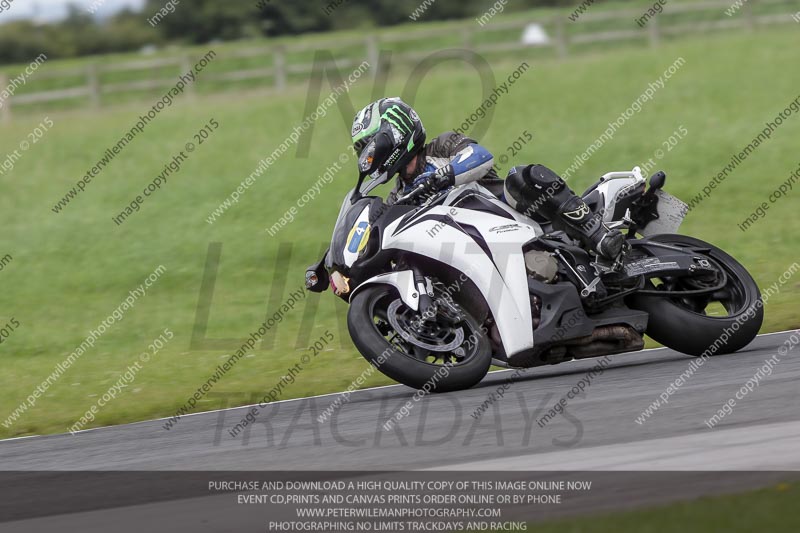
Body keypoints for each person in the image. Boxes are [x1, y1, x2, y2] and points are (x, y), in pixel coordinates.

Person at [350, 97, 624, 260]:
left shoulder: (442, 146)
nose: (368, 157)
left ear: (394, 134)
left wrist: (443, 177)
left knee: (521, 176)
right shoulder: (399, 197)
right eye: (364, 152)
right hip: (475, 250)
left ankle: (597, 234)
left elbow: (481, 156)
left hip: (514, 216)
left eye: (371, 146)